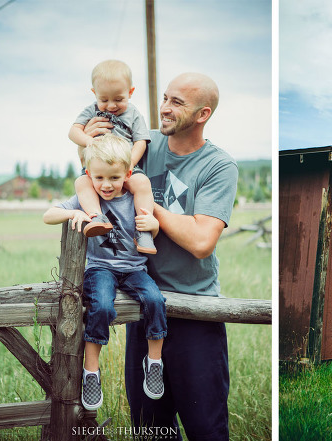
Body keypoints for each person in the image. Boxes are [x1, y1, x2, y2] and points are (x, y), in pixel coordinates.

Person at [84, 72, 237, 439]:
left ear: (203, 114)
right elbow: (95, 172)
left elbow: (202, 241)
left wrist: (151, 206)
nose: (164, 108)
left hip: (194, 309)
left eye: (176, 103)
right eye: (165, 98)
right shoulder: (142, 145)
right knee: (151, 429)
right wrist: (85, 137)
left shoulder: (218, 166)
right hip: (143, 304)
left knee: (206, 428)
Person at [42, 134, 167, 411]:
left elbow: (153, 229)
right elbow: (47, 215)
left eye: (114, 177)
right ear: (89, 175)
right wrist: (71, 214)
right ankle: (92, 371)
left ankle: (154, 361)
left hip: (134, 268)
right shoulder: (85, 199)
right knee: (100, 305)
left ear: (127, 173)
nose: (106, 185)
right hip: (100, 269)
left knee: (155, 300)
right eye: (99, 178)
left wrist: (153, 226)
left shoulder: (135, 197)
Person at [68, 59, 157, 254]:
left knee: (141, 183)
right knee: (83, 183)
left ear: (130, 92)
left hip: (125, 166)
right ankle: (96, 217)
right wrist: (88, 141)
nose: (111, 105)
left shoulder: (134, 113)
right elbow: (73, 132)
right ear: (94, 93)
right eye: (104, 99)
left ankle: (144, 229)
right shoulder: (92, 109)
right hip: (97, 166)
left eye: (118, 99)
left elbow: (141, 141)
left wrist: (130, 164)